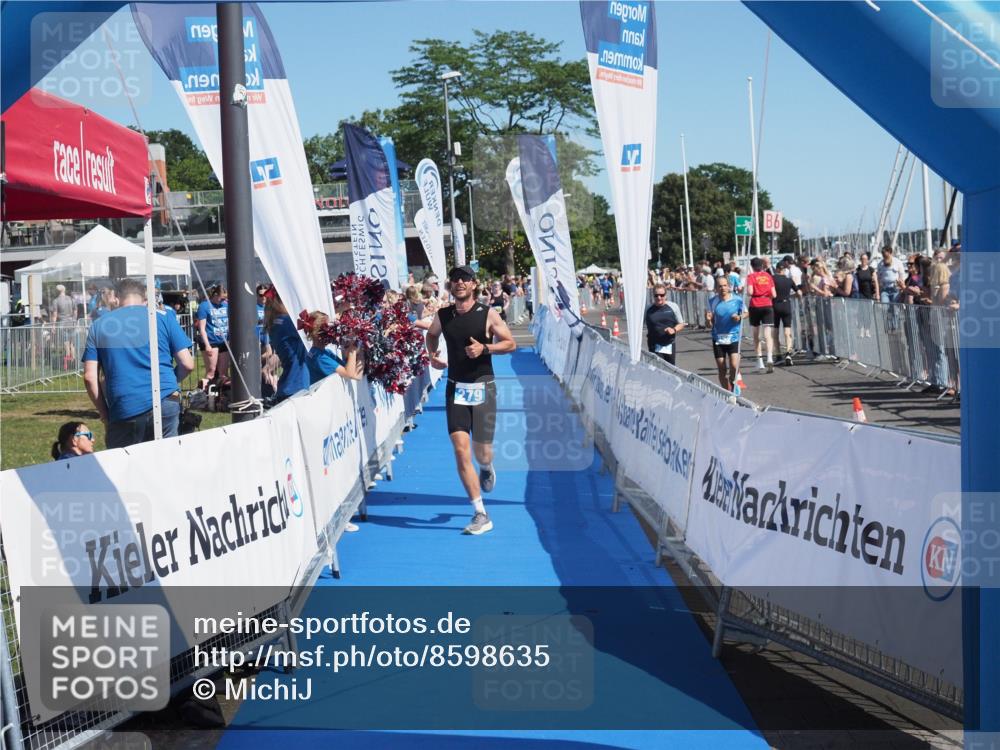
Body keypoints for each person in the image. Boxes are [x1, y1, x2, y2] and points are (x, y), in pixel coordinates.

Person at [425, 266, 516, 536]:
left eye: (465, 279)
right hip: (456, 389)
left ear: (474, 284)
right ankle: (480, 512)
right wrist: (433, 355)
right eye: (455, 279)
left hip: (483, 389)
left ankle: (486, 466)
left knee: (481, 452)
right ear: (450, 286)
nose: (460, 283)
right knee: (460, 449)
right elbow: (431, 335)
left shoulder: (488, 314)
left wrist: (485, 348)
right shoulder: (443, 315)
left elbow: (510, 343)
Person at [82, 278, 194, 448]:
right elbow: (187, 364)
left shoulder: (99, 326)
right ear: (145, 299)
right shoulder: (163, 317)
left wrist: (104, 415)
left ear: (117, 299)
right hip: (166, 400)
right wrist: (167, 383)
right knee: (166, 458)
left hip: (125, 405)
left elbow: (90, 377)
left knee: (124, 461)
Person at [264, 290, 309, 405]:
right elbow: (314, 329)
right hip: (297, 385)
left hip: (291, 383)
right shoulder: (286, 321)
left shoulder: (276, 322)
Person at [706, 277, 746, 391]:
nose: (722, 288)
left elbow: (746, 313)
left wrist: (739, 317)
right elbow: (709, 325)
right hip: (718, 339)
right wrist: (708, 320)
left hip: (734, 337)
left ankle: (733, 384)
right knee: (722, 369)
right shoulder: (712, 302)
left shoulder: (738, 300)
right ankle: (727, 393)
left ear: (728, 286)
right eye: (720, 286)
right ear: (716, 288)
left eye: (724, 285)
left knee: (734, 366)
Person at [302, 312, 363, 384]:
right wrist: (352, 349)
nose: (333, 332)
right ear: (317, 334)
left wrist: (362, 351)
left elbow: (356, 375)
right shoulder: (319, 357)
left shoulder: (326, 352)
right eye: (329, 328)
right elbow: (349, 374)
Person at [746, 256, 777, 372]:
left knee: (756, 334)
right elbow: (774, 294)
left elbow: (750, 292)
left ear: (752, 266)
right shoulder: (768, 276)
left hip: (755, 305)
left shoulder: (751, 276)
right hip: (767, 304)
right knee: (768, 334)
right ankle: (769, 357)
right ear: (762, 266)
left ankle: (759, 360)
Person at [196, 284, 230, 389]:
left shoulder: (226, 305)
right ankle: (204, 392)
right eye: (221, 298)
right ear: (215, 295)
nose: (223, 300)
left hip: (223, 341)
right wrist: (207, 345)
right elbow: (202, 328)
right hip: (211, 341)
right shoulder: (204, 306)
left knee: (223, 373)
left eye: (225, 298)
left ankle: (221, 394)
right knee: (211, 371)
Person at [644, 283, 685, 365]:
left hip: (669, 344)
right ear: (653, 296)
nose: (659, 297)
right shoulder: (648, 309)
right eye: (656, 295)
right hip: (654, 345)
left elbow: (682, 324)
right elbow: (640, 324)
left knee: (670, 368)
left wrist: (674, 330)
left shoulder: (673, 306)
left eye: (662, 295)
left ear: (666, 295)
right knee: (658, 368)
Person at [772, 259, 797, 365]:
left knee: (775, 332)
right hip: (786, 304)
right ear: (784, 270)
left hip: (775, 305)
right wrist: (790, 296)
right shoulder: (789, 280)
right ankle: (788, 353)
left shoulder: (772, 279)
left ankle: (778, 355)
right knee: (787, 331)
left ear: (777, 269)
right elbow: (799, 292)